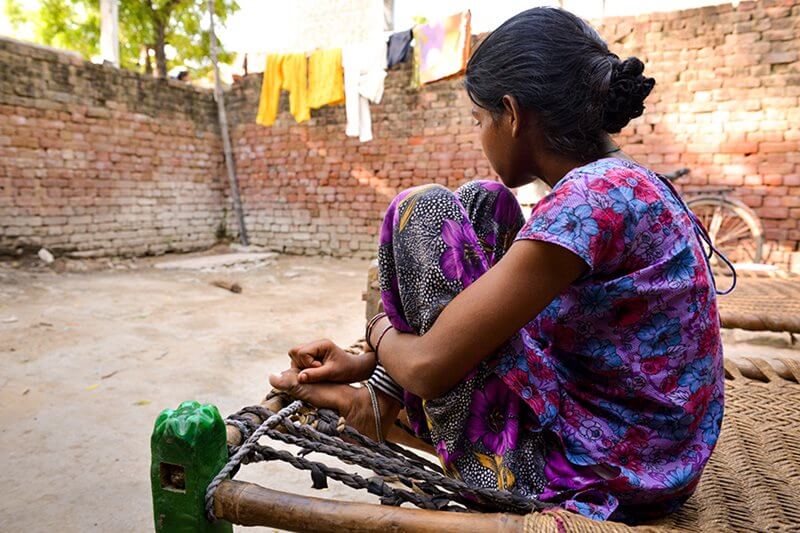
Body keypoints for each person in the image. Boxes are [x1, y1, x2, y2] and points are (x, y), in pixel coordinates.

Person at [270, 7, 725, 523]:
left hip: (606, 474)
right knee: (486, 203)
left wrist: (376, 330)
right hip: (649, 461)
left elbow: (426, 368)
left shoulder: (590, 201)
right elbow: (517, 327)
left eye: (478, 119)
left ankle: (412, 424)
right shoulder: (619, 183)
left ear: (511, 114)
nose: (479, 133)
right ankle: (378, 399)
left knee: (422, 209)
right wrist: (367, 365)